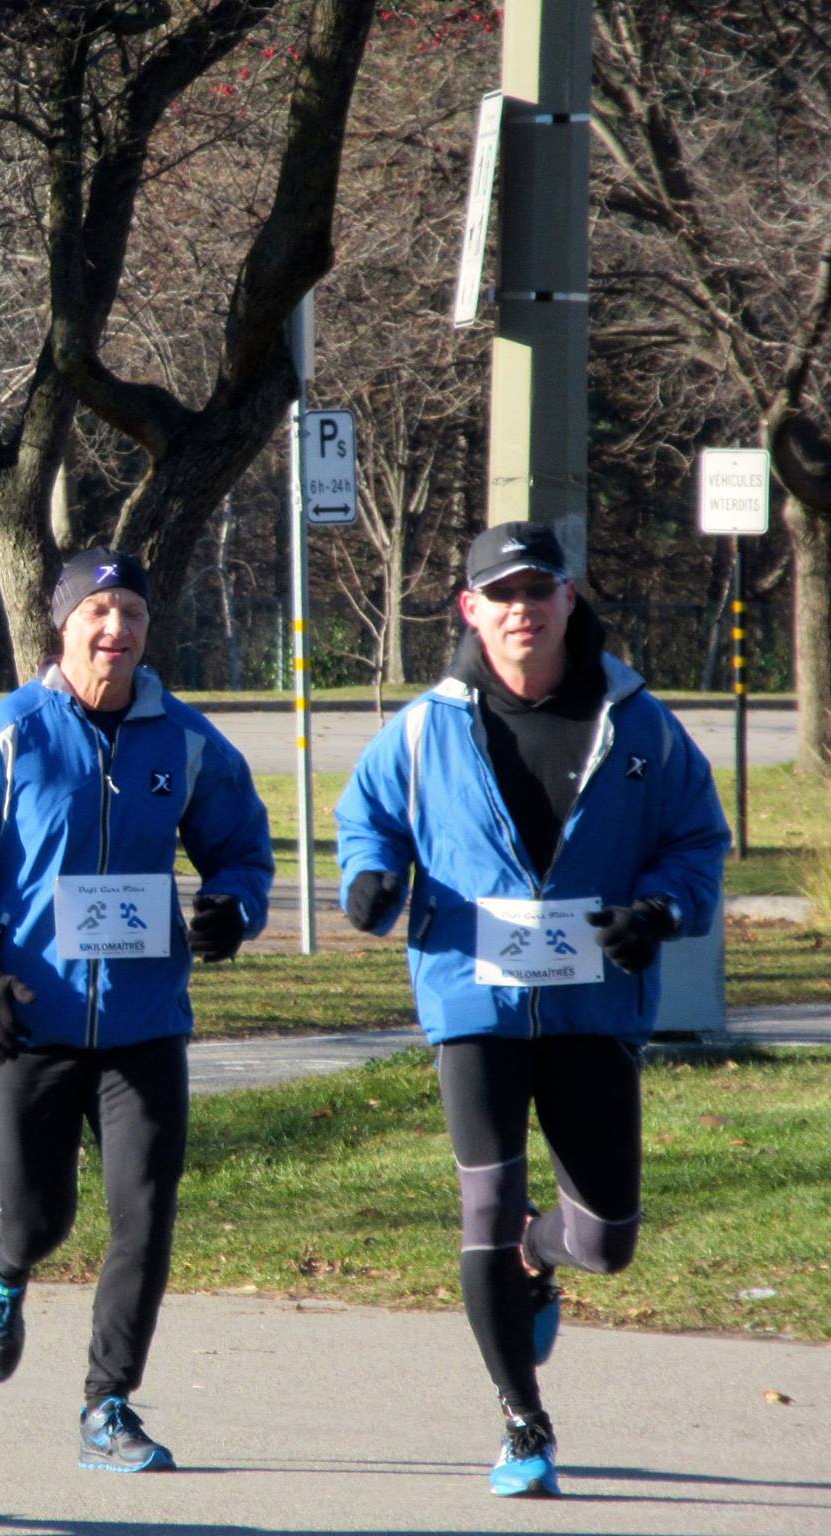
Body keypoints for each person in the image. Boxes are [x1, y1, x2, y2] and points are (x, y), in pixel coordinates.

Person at [335, 521, 729, 1499]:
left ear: (566, 600)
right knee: (482, 1198)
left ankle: (537, 1253)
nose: (520, 610)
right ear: (468, 609)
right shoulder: (427, 725)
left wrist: (658, 910)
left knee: (605, 1239)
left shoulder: (634, 720)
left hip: (593, 1001)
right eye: (499, 595)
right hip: (471, 996)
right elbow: (366, 818)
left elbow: (694, 836)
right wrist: (369, 881)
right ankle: (521, 1424)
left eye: (536, 591)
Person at [0, 548, 273, 1473]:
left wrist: (233, 907)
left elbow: (241, 850)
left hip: (147, 1023)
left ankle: (107, 1406)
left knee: (143, 1216)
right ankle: (1, 1266)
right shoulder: (4, 738)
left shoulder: (185, 741)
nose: (116, 630)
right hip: (28, 1021)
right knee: (39, 1219)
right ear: (63, 625)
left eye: (134, 615)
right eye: (99, 612)